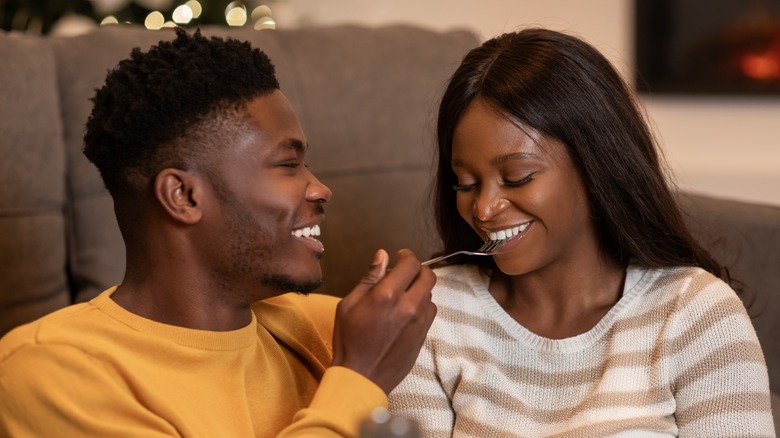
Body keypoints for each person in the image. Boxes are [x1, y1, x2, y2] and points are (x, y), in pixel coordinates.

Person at [0, 28, 437, 437]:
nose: (321, 187)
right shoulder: (50, 371)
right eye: (288, 164)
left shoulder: (326, 326)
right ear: (184, 196)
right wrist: (358, 378)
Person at [387, 28, 775, 437]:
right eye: (465, 183)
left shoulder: (696, 312)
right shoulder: (429, 315)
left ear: (597, 166)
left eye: (517, 177)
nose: (483, 209)